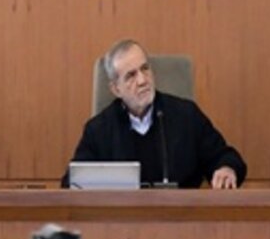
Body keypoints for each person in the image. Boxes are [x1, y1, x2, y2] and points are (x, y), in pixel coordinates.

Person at [64, 39, 246, 189]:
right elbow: (72, 182)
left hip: (181, 217)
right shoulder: (98, 130)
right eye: (131, 76)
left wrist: (227, 169)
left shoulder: (186, 115)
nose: (142, 80)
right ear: (116, 89)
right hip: (122, 220)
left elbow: (225, 157)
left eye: (145, 68)